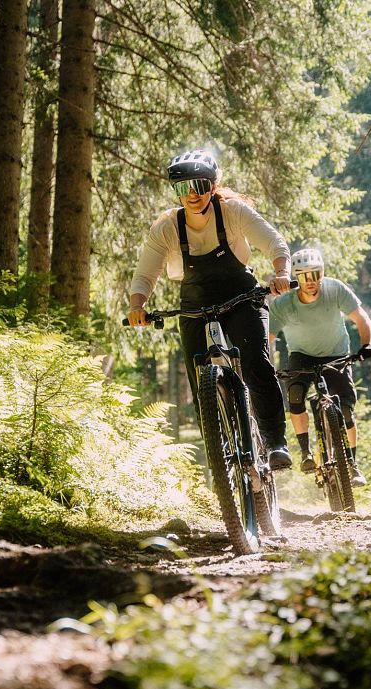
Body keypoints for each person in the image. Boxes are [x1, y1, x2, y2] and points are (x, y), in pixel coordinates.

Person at [128, 148, 293, 469]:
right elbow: (146, 274)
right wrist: (138, 305)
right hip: (194, 302)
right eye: (183, 187)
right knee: (197, 376)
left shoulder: (233, 211)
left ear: (213, 186)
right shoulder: (167, 226)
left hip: (241, 296)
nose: (192, 194)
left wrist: (281, 272)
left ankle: (275, 443)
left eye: (200, 186)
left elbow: (275, 243)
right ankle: (220, 460)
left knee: (256, 362)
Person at [268, 248, 371, 485]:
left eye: (315, 274)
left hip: (336, 354)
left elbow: (361, 318)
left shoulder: (335, 289)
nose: (311, 281)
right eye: (304, 276)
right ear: (296, 277)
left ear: (322, 273)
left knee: (345, 410)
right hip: (301, 356)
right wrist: (264, 364)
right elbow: (268, 337)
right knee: (295, 394)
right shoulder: (283, 304)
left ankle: (352, 464)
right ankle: (306, 453)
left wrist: (367, 344)